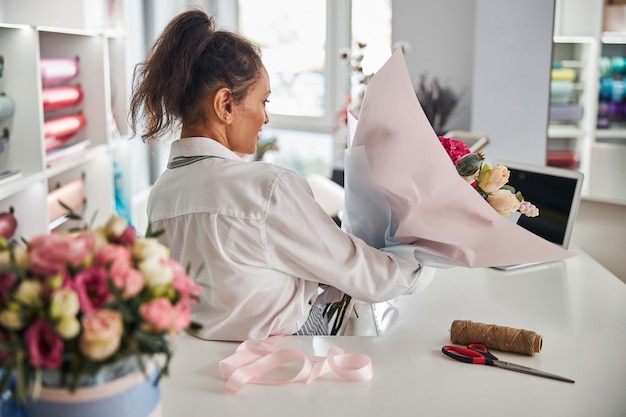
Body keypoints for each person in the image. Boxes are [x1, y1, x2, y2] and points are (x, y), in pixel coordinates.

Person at [129, 9, 429, 341]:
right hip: (283, 366)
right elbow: (359, 272)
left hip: (205, 373)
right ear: (225, 104)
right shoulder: (267, 190)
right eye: (263, 101)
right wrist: (426, 263)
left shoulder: (161, 195)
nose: (265, 118)